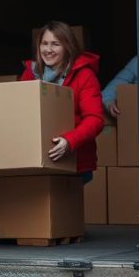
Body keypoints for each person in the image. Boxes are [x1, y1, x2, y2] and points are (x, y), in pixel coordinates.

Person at [18, 21, 106, 177]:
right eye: (44, 44)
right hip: (33, 159)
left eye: (55, 44)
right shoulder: (30, 74)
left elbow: (95, 119)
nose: (48, 50)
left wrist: (69, 141)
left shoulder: (84, 76)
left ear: (67, 47)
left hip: (73, 160)